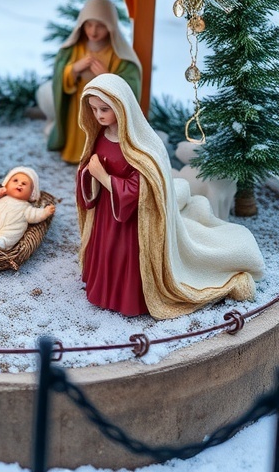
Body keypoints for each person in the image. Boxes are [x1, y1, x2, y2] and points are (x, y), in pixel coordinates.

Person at [76, 74, 265, 319]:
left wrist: (104, 178)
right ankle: (103, 291)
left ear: (122, 108)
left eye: (104, 109)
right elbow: (90, 168)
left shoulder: (139, 145)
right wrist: (88, 174)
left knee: (125, 258)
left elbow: (142, 188)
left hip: (131, 224)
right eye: (93, 109)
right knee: (107, 253)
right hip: (106, 214)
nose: (99, 115)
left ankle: (128, 298)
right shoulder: (100, 136)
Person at [48, 0, 142, 164]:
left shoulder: (118, 55)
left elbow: (130, 85)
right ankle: (75, 154)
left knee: (99, 134)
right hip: (78, 103)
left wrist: (108, 77)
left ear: (110, 27)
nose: (93, 31)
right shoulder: (75, 49)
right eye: (89, 25)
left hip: (103, 108)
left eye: (100, 26)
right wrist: (73, 69)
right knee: (80, 130)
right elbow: (59, 76)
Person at [0, 166, 55, 250]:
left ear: (31, 193)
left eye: (24, 183)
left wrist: (45, 212)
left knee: (15, 230)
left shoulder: (27, 207)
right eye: (15, 180)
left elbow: (35, 215)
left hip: (11, 225)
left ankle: (2, 241)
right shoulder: (1, 199)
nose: (19, 184)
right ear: (6, 185)